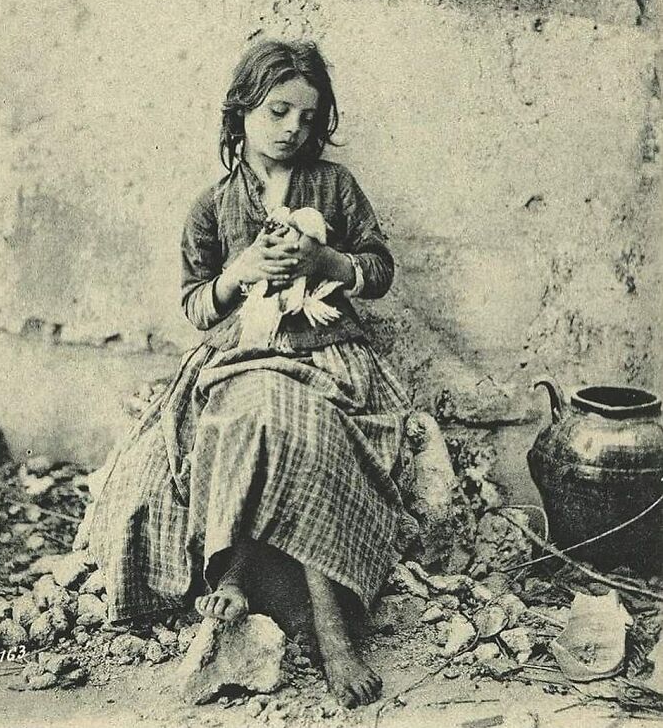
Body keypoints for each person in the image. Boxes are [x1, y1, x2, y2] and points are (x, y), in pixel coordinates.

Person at [81, 39, 416, 708]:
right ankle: (231, 571)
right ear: (240, 114)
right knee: (243, 413)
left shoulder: (336, 187)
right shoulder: (213, 206)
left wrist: (327, 262)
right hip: (240, 356)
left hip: (323, 355)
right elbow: (196, 305)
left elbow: (378, 268)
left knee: (301, 426)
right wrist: (239, 273)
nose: (294, 128)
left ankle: (331, 627)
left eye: (308, 117)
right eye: (277, 111)